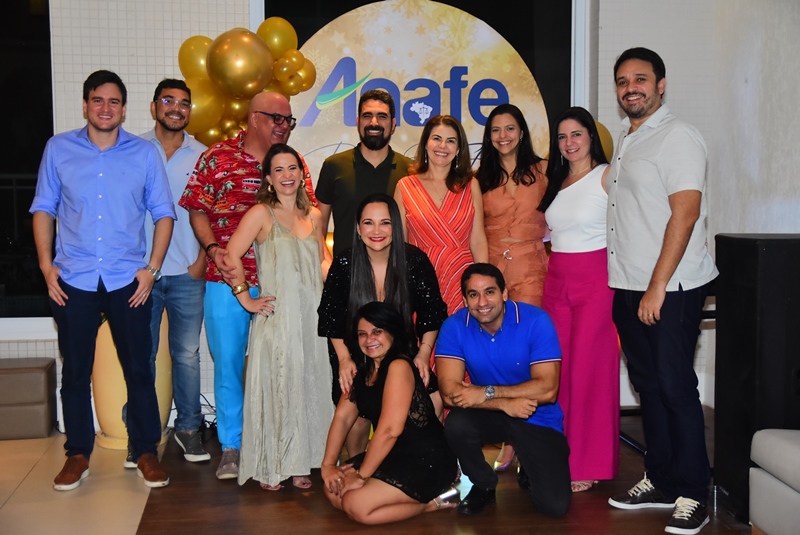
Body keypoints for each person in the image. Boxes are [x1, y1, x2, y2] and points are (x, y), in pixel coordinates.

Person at [31, 70, 174, 490]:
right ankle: (77, 454)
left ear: (124, 109)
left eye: (113, 101)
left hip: (127, 281)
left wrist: (152, 269)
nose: (105, 108)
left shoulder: (144, 154)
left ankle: (145, 451)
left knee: (139, 371)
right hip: (73, 280)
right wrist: (46, 267)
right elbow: (43, 208)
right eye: (98, 100)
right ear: (85, 105)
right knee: (75, 373)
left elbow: (164, 213)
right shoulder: (58, 149)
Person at [605, 47, 718, 535]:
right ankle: (663, 479)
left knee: (675, 387)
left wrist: (657, 287)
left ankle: (695, 492)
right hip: (628, 284)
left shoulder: (678, 136)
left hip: (669, 286)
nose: (631, 88)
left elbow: (685, 214)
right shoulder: (629, 138)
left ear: (661, 84)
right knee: (648, 386)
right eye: (623, 81)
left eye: (641, 79)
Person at [179, 91, 315, 479]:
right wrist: (212, 249)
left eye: (288, 120)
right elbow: (197, 209)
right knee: (229, 364)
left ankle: (281, 443)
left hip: (282, 284)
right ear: (254, 117)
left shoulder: (293, 162)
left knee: (285, 365)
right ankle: (233, 446)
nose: (283, 126)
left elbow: (308, 214)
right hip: (227, 281)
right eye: (276, 118)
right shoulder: (217, 156)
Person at [223, 143, 333, 491]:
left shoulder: (314, 215)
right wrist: (246, 299)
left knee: (307, 384)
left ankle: (301, 462)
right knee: (279, 386)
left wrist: (340, 279)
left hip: (312, 319)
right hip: (279, 318)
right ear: (269, 179)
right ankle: (272, 464)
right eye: (279, 170)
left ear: (301, 174)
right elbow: (230, 256)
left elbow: (322, 259)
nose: (287, 176)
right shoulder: (261, 214)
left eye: (293, 168)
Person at [435, 263, 571, 517]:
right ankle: (484, 484)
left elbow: (548, 389)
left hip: (535, 415)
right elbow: (450, 394)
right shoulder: (454, 326)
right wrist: (503, 403)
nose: (482, 302)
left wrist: (489, 392)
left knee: (555, 506)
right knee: (457, 425)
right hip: (491, 413)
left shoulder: (536, 320)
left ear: (504, 293)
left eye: (489, 292)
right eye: (473, 294)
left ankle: (527, 464)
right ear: (465, 300)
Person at [318, 193, 448, 456]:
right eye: (368, 223)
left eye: (385, 223)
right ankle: (357, 464)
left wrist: (424, 354)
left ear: (395, 227)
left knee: (433, 398)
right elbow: (331, 318)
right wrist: (344, 359)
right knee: (357, 415)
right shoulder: (344, 263)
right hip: (355, 352)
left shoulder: (414, 260)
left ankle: (424, 461)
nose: (376, 231)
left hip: (402, 351)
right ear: (358, 228)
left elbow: (432, 313)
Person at [538, 106, 619, 493]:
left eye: (576, 134)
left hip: (596, 282)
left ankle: (589, 463)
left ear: (592, 137)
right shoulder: (556, 181)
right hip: (557, 281)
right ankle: (560, 454)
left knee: (590, 371)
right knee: (558, 371)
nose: (569, 143)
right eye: (562, 136)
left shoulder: (608, 175)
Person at [321, 302, 459, 525]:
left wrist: (361, 476)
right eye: (362, 334)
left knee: (355, 505)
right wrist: (327, 466)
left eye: (377, 331)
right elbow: (343, 417)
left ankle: (432, 503)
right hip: (391, 454)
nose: (369, 339)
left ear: (392, 332)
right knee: (334, 489)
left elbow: (389, 430)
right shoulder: (364, 370)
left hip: (425, 460)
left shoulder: (399, 366)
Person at [137, 79, 209, 464]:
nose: (176, 108)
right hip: (141, 275)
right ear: (154, 107)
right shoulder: (132, 149)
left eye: (183, 103)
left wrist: (202, 261)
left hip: (186, 271)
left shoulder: (203, 155)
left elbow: (211, 211)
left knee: (187, 355)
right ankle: (143, 434)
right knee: (142, 356)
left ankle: (189, 429)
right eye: (168, 101)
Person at [475, 103, 549, 472]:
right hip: (493, 271)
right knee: (497, 353)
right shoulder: (479, 178)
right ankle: (507, 433)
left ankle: (526, 438)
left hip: (531, 268)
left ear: (521, 132)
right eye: (495, 130)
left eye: (509, 128)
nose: (502, 136)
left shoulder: (544, 171)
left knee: (527, 352)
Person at [395, 114, 488, 317]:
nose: (443, 146)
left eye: (451, 141)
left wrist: (483, 283)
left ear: (459, 149)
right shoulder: (404, 187)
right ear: (425, 143)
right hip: (420, 279)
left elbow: (478, 239)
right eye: (436, 138)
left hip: (462, 280)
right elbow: (400, 245)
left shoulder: (471, 185)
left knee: (462, 334)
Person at [317, 89, 412, 256]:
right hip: (345, 270)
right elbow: (319, 228)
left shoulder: (410, 170)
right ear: (358, 121)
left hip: (395, 270)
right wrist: (327, 265)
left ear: (393, 124)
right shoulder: (333, 166)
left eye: (382, 116)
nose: (374, 122)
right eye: (367, 116)